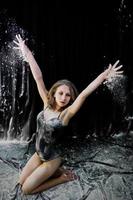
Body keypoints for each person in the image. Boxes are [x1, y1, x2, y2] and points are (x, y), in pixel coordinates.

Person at [13, 34, 123, 195]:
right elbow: (38, 77)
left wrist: (104, 75)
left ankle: (61, 176)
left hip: (51, 159)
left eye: (68, 95)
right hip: (38, 154)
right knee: (20, 182)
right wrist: (27, 52)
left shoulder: (65, 114)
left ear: (71, 98)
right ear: (54, 93)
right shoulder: (46, 103)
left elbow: (84, 93)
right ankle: (57, 171)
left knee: (26, 190)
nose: (64, 98)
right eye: (61, 93)